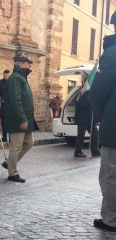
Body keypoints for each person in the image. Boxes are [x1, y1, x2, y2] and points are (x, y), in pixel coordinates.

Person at [91, 12, 116, 232]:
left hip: (114, 127)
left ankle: (111, 219)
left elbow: (98, 92)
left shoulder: (112, 54)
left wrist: (101, 114)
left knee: (110, 175)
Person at [2, 51, 38, 183]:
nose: (29, 66)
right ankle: (12, 173)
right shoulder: (16, 78)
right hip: (18, 119)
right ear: (21, 63)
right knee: (16, 146)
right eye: (28, 63)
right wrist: (22, 118)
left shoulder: (21, 77)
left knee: (29, 143)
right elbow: (15, 100)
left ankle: (10, 162)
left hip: (26, 118)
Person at [73, 90, 100, 158]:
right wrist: (90, 101)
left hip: (90, 119)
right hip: (82, 119)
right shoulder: (79, 94)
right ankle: (78, 152)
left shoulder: (91, 93)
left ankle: (95, 151)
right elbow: (79, 104)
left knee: (95, 134)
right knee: (81, 136)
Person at [0, 69, 10, 142]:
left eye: (7, 76)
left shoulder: (12, 82)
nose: (6, 77)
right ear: (3, 75)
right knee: (3, 122)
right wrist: (1, 99)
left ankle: (11, 138)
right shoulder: (0, 82)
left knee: (10, 122)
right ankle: (4, 137)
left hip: (10, 106)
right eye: (5, 76)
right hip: (3, 105)